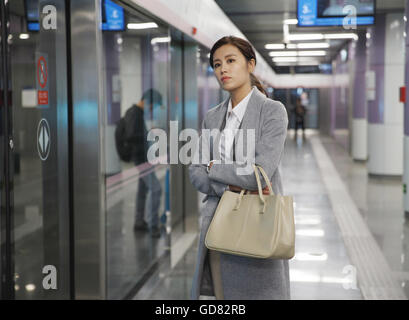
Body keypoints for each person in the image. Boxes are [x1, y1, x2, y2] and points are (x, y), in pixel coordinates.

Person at [188, 36, 290, 300]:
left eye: (231, 61)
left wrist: (213, 166)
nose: (223, 69)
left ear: (250, 65)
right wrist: (229, 182)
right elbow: (195, 172)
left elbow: (260, 172)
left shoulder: (272, 111)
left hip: (257, 225)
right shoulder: (212, 116)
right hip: (218, 227)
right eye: (217, 64)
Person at [117, 89, 163, 238]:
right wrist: (149, 134)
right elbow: (132, 136)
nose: (153, 109)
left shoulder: (136, 112)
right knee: (156, 189)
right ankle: (153, 225)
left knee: (142, 190)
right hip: (140, 158)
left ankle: (139, 221)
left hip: (142, 157)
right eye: (153, 105)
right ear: (147, 101)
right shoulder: (134, 113)